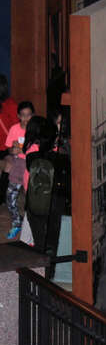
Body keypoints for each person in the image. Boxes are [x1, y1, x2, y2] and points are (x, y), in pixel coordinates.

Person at [24, 116, 70, 257]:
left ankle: (38, 272)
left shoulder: (30, 156)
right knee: (51, 243)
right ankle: (49, 273)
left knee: (39, 242)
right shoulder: (60, 158)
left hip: (34, 201)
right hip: (55, 203)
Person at [4, 101, 34, 239]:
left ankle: (32, 228)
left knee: (31, 199)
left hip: (31, 166)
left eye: (28, 115)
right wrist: (13, 150)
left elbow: (38, 150)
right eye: (23, 115)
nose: (26, 119)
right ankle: (17, 222)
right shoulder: (14, 129)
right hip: (18, 164)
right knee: (10, 196)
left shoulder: (36, 130)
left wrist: (22, 150)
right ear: (18, 116)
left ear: (32, 115)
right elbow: (9, 148)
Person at [0, 74, 18, 204]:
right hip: (6, 148)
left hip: (7, 148)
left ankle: (2, 195)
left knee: (9, 164)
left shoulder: (10, 105)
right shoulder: (11, 105)